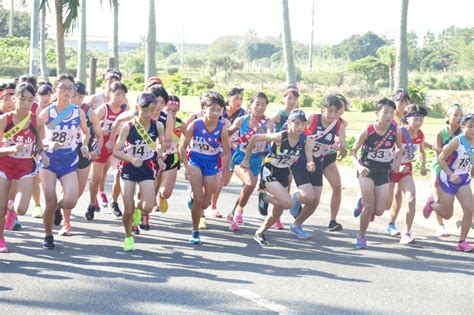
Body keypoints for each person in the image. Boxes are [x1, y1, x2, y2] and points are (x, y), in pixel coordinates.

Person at [245, 109, 315, 246]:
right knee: (288, 203)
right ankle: (264, 196)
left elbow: (309, 160)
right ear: (289, 123)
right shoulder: (280, 136)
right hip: (269, 170)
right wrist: (246, 160)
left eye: (303, 124)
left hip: (284, 173)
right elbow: (255, 138)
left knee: (278, 211)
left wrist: (310, 165)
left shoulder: (306, 140)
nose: (300, 127)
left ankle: (260, 232)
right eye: (296, 123)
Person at [38, 73, 90, 249]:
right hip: (49, 161)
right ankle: (48, 235)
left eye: (70, 88)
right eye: (63, 88)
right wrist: (48, 142)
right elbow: (37, 135)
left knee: (70, 201)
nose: (66, 91)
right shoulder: (47, 113)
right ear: (55, 89)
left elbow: (85, 132)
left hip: (68, 159)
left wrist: (83, 145)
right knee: (50, 201)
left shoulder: (78, 112)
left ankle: (58, 209)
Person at [113, 93, 166, 251]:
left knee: (147, 207)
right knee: (127, 209)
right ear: (138, 108)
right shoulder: (127, 127)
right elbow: (116, 151)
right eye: (146, 110)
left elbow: (160, 145)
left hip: (147, 166)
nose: (149, 114)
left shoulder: (158, 126)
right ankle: (128, 236)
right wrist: (130, 158)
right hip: (129, 167)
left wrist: (160, 158)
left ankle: (139, 210)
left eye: (153, 110)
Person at [0, 83, 49, 253]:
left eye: (30, 99)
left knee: (21, 208)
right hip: (4, 164)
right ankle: (1, 239)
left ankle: (11, 207)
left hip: (26, 166)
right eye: (22, 99)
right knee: (0, 205)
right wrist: (11, 149)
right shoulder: (4, 119)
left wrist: (43, 153)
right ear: (14, 99)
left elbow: (40, 141)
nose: (26, 103)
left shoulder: (37, 121)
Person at [289, 95, 346, 238]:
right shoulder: (312, 119)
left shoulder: (339, 126)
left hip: (318, 163)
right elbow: (291, 129)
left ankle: (296, 225)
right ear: (322, 108)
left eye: (336, 112)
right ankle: (297, 197)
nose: (332, 115)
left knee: (315, 201)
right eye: (330, 111)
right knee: (308, 197)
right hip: (301, 161)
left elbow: (344, 151)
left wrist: (340, 148)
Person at [350, 98, 402, 249]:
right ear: (377, 113)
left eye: (392, 112)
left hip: (384, 172)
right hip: (366, 170)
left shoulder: (395, 130)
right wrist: (359, 167)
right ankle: (361, 237)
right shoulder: (367, 131)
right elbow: (353, 152)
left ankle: (362, 203)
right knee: (369, 206)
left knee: (379, 210)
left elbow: (399, 148)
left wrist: (397, 160)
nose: (389, 115)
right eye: (385, 112)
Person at [181, 92, 231, 244]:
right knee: (198, 198)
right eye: (212, 109)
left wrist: (222, 171)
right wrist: (187, 167)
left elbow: (228, 153)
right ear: (204, 109)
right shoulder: (194, 125)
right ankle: (195, 232)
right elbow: (183, 149)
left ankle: (198, 202)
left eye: (219, 110)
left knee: (206, 202)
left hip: (212, 164)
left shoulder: (222, 129)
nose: (216, 113)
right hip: (195, 160)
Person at [423, 114, 474, 252]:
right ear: (462, 127)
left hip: (463, 179)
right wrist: (451, 174)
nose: (473, 130)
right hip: (448, 177)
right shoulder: (457, 141)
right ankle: (432, 204)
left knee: (470, 209)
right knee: (447, 214)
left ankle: (462, 242)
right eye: (470, 126)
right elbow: (441, 158)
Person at [58, 82, 103, 236]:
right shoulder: (60, 110)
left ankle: (59, 206)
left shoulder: (89, 112)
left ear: (85, 97)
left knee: (77, 193)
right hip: (65, 153)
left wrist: (96, 150)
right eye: (74, 95)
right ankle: (66, 223)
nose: (76, 99)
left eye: (80, 96)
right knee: (68, 190)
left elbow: (99, 135)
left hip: (84, 153)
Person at [226, 92, 272, 231]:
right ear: (250, 105)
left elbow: (270, 138)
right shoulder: (241, 120)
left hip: (257, 159)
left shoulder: (268, 122)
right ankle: (238, 211)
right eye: (257, 104)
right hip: (241, 157)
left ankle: (234, 212)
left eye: (263, 105)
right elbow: (227, 133)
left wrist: (258, 128)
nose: (260, 107)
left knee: (247, 189)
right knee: (250, 182)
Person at [386, 104, 428, 244]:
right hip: (391, 168)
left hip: (406, 170)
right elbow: (390, 150)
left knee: (411, 199)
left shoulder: (420, 134)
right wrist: (398, 165)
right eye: (415, 119)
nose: (418, 123)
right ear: (407, 118)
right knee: (388, 203)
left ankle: (407, 233)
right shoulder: (399, 131)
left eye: (421, 120)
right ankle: (366, 200)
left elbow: (421, 150)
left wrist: (423, 165)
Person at [87, 82, 129, 220]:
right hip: (101, 146)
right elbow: (89, 126)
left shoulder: (125, 109)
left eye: (123, 95)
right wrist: (100, 131)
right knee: (96, 179)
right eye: (117, 94)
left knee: (119, 172)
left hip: (116, 147)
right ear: (109, 94)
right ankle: (92, 203)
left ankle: (114, 201)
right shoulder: (103, 109)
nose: (120, 98)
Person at [425, 104, 463, 237]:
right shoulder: (441, 132)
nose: (459, 118)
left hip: (456, 170)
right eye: (456, 115)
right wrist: (443, 172)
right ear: (448, 116)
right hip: (440, 167)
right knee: (438, 198)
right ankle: (440, 226)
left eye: (461, 115)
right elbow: (438, 153)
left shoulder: (464, 133)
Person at [209, 87, 246, 218]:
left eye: (241, 99)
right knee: (216, 179)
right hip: (216, 148)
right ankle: (213, 206)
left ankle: (210, 199)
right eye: (236, 98)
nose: (239, 101)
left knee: (224, 181)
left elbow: (243, 134)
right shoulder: (219, 111)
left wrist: (237, 144)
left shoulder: (243, 114)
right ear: (228, 99)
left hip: (233, 149)